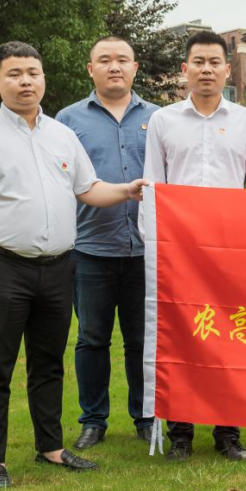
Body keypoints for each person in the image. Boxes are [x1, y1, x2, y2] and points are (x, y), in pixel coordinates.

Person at [0, 41, 146, 490]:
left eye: (32, 73)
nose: (25, 82)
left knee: (49, 363)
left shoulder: (61, 134)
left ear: (43, 79)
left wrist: (127, 190)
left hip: (59, 267)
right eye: (15, 74)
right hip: (4, 267)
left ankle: (51, 447)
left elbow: (88, 188)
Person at [143, 29, 246, 462]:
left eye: (214, 62)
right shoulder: (163, 121)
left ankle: (228, 432)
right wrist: (154, 243)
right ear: (185, 69)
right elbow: (153, 186)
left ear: (227, 69)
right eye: (198, 62)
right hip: (178, 250)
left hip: (231, 251)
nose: (206, 70)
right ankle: (181, 432)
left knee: (231, 338)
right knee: (181, 336)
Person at [56, 36, 159, 452]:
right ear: (90, 69)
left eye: (122, 60)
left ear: (135, 68)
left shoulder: (159, 118)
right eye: (104, 60)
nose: (114, 66)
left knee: (142, 340)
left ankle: (145, 417)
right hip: (90, 249)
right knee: (92, 339)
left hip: (147, 251)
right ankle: (93, 420)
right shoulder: (67, 120)